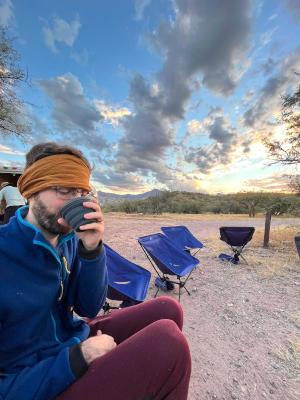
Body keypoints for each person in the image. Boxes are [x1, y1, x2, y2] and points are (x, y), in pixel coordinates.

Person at [0, 142, 191, 400]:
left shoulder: (68, 241)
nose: (75, 202)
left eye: (81, 192)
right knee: (168, 342)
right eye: (64, 190)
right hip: (39, 378)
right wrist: (79, 357)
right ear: (32, 190)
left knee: (168, 308)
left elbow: (89, 308)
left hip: (72, 340)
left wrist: (92, 249)